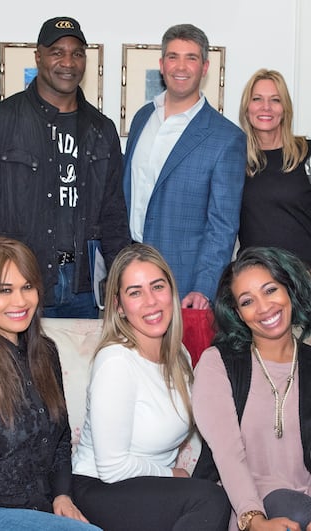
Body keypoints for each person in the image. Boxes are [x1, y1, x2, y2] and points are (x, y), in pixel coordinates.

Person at [0, 16, 130, 318]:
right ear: (38, 56)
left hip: (87, 289)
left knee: (84, 367)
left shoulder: (102, 130)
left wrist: (122, 284)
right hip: (19, 285)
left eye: (77, 53)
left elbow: (114, 216)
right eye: (57, 52)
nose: (68, 62)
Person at [0, 236, 102, 531]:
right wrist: (43, 507)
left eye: (27, 286)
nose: (20, 300)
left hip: (34, 505)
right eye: (5, 291)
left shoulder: (45, 353)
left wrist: (62, 495)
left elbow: (61, 438)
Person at [71, 243, 230, 530]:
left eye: (157, 287)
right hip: (100, 488)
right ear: (118, 307)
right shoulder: (116, 361)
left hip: (148, 487)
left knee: (215, 496)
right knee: (209, 500)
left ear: (172, 291)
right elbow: (112, 467)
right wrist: (173, 475)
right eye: (135, 292)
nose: (151, 301)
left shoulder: (179, 354)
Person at [122, 23, 247, 308]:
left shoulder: (226, 139)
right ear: (162, 64)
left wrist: (204, 287)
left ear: (204, 67)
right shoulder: (143, 118)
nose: (181, 66)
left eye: (191, 58)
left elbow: (222, 226)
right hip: (130, 272)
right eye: (173, 56)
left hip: (184, 283)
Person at [192, 246, 311, 531]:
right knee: (288, 507)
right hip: (238, 505)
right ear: (237, 312)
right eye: (248, 301)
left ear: (289, 289)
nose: (264, 307)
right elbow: (228, 454)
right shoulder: (217, 363)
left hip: (304, 505)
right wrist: (253, 519)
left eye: (270, 290)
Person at [237, 69, 311, 267]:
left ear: (285, 108)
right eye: (257, 99)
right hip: (255, 281)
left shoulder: (307, 153)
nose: (266, 107)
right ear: (247, 108)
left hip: (305, 280)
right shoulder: (233, 159)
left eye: (275, 100)